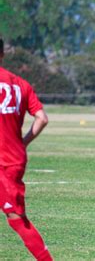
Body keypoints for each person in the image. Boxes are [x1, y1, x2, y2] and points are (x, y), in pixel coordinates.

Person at [0, 39, 53, 260]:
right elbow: (42, 118)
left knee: (16, 217)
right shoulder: (20, 84)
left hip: (3, 162)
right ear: (2, 53)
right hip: (13, 159)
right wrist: (23, 142)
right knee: (16, 218)